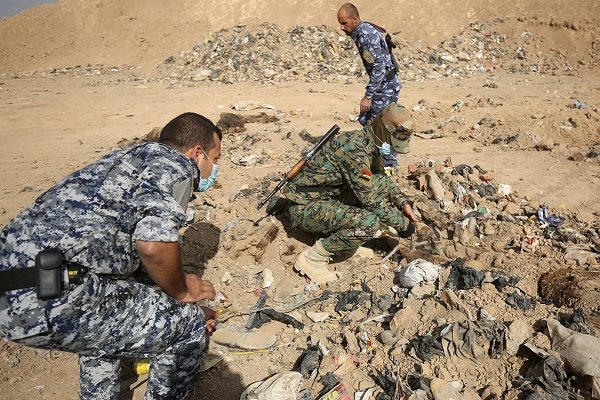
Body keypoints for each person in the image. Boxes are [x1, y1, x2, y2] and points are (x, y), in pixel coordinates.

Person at [0, 112, 222, 399]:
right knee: (188, 328)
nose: (214, 170)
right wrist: (182, 295)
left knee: (110, 327)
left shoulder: (126, 162)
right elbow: (153, 245)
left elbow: (121, 267)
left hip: (13, 294)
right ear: (197, 153)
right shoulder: (176, 164)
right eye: (215, 160)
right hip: (50, 295)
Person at [281, 103, 418, 286]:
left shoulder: (369, 142)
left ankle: (346, 240)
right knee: (369, 222)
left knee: (379, 185)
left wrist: (402, 203)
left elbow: (380, 179)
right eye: (394, 143)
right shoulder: (354, 151)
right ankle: (313, 258)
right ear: (384, 132)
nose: (393, 149)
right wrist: (404, 226)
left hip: (328, 197)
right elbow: (369, 200)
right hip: (305, 208)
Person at [337, 3, 401, 128]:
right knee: (365, 119)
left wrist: (368, 96)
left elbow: (379, 67)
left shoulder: (366, 36)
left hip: (385, 87)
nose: (341, 27)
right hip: (383, 85)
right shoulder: (363, 30)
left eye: (344, 23)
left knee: (375, 126)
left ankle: (388, 146)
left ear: (355, 19)